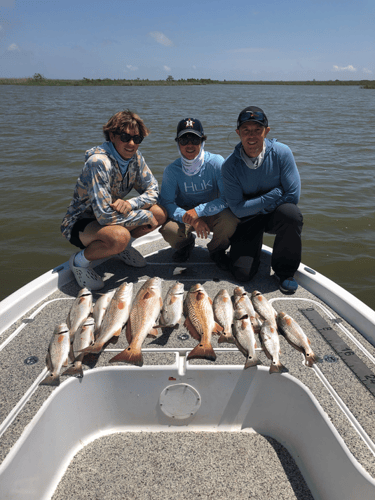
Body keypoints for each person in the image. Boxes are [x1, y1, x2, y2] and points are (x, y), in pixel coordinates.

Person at [61, 110, 167, 290]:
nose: (132, 143)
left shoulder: (136, 158)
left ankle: (122, 249)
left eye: (137, 138)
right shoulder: (99, 162)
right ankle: (79, 262)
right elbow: (103, 217)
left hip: (113, 215)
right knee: (121, 236)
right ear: (112, 135)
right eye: (125, 137)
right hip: (82, 222)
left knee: (160, 213)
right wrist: (143, 215)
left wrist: (131, 203)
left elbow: (153, 190)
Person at [222, 106, 303, 293]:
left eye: (258, 130)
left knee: (291, 214)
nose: (252, 136)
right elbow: (237, 210)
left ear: (266, 131)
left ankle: (285, 272)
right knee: (243, 275)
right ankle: (246, 250)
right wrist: (274, 194)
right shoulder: (230, 166)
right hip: (247, 219)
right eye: (246, 130)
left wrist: (260, 206)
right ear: (238, 133)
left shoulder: (282, 153)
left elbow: (293, 195)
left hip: (274, 214)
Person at [158, 118, 239, 269]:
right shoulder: (171, 170)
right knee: (169, 230)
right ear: (178, 143)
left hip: (212, 211)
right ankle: (186, 245)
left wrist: (199, 211)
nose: (190, 145)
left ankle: (216, 250)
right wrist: (192, 219)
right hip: (186, 215)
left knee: (230, 221)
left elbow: (226, 198)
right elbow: (167, 203)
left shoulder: (216, 163)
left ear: (202, 141)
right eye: (184, 140)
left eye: (195, 139)